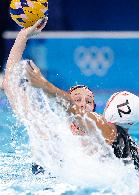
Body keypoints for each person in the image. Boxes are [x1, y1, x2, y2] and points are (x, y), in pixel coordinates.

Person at [3, 19, 139, 174]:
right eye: (77, 99)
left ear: (94, 111)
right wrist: (22, 36)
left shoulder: (107, 138)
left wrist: (44, 84)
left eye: (88, 101)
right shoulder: (51, 131)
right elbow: (9, 84)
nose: (82, 104)